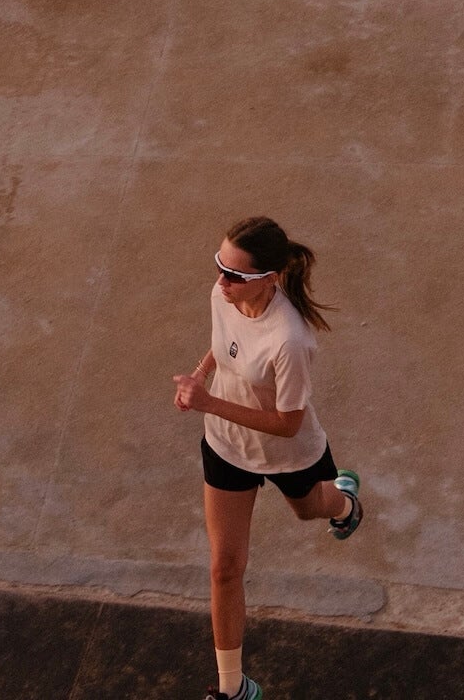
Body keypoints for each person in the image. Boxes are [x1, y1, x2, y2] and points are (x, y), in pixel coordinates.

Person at [171, 216, 363, 700]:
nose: (221, 281)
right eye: (219, 267)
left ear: (269, 278)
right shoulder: (223, 296)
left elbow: (287, 423)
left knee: (310, 509)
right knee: (224, 567)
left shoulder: (290, 340)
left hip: (287, 453)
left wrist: (210, 403)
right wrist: (199, 375)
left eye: (234, 274)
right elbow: (223, 344)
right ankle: (233, 689)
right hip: (226, 447)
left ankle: (344, 502)